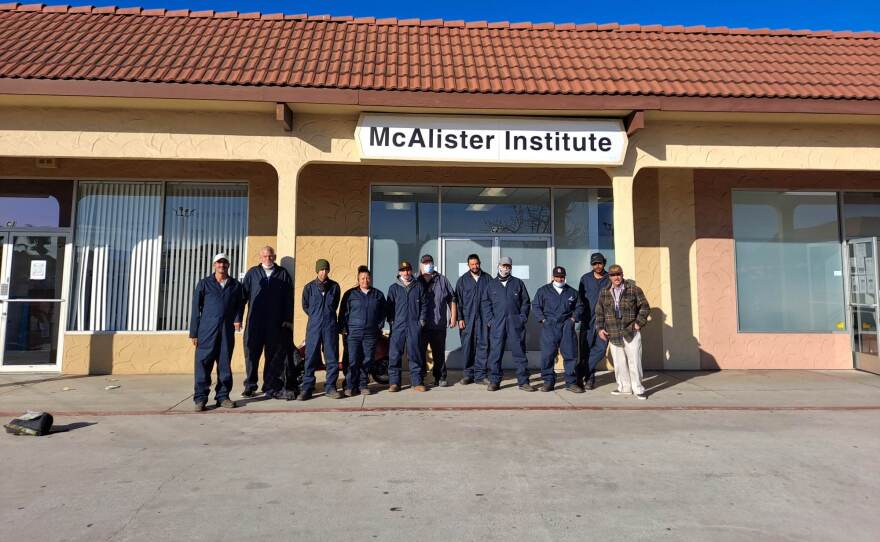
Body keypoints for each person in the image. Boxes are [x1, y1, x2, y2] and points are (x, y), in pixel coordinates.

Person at [189, 253, 245, 411]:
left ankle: (223, 396)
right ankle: (200, 399)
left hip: (226, 330)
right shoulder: (204, 284)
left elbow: (240, 304)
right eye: (219, 263)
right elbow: (195, 309)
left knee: (224, 364)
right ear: (214, 265)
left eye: (225, 263)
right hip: (206, 330)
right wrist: (194, 333)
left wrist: (238, 318)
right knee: (203, 364)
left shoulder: (235, 285)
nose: (222, 265)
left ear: (229, 265)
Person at [241, 246, 294, 399]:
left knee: (271, 356)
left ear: (275, 257)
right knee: (251, 354)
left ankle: (269, 384)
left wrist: (288, 321)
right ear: (260, 257)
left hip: (274, 324)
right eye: (264, 256)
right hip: (255, 323)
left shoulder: (283, 274)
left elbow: (288, 300)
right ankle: (250, 385)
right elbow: (243, 297)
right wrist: (237, 318)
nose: (268, 259)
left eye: (270, 256)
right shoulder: (252, 273)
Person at [595, 265, 651, 400]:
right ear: (609, 277)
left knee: (635, 361)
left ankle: (638, 388)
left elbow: (645, 307)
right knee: (619, 363)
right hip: (613, 332)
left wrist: (639, 323)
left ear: (622, 274)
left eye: (618, 274)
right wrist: (600, 328)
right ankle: (624, 388)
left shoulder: (633, 289)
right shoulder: (604, 292)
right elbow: (599, 311)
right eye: (613, 275)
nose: (616, 277)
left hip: (631, 331)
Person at [483, 256, 532, 392]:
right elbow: (485, 303)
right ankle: (494, 381)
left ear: (511, 268)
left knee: (519, 352)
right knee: (495, 353)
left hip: (515, 323)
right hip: (497, 323)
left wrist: (522, 317)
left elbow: (525, 302)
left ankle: (523, 381)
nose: (505, 268)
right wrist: (490, 320)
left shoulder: (518, 283)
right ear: (498, 266)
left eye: (508, 266)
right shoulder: (491, 284)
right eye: (503, 265)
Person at [532, 266, 584, 393]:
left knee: (570, 354)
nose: (559, 279)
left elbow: (580, 307)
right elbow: (536, 306)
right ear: (553, 277)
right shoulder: (543, 291)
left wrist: (573, 319)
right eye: (557, 276)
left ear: (565, 277)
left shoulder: (572, 292)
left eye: (562, 277)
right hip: (550, 325)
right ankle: (548, 382)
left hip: (566, 326)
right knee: (548, 355)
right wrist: (543, 320)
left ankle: (571, 383)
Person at [339, 266, 386, 396]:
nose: (365, 280)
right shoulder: (350, 294)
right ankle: (350, 386)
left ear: (370, 279)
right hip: (353, 333)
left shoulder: (378, 295)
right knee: (352, 360)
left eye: (367, 278)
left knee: (367, 359)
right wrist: (343, 329)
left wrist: (379, 326)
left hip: (370, 334)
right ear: (358, 279)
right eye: (362, 278)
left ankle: (363, 384)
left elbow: (383, 313)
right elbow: (343, 313)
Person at [300, 259, 342, 400]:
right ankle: (307, 387)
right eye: (321, 269)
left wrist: (325, 316)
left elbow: (335, 304)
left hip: (330, 326)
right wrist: (316, 316)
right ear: (317, 271)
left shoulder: (335, 287)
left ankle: (330, 387)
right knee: (310, 357)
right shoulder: (309, 288)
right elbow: (305, 306)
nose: (324, 272)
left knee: (331, 357)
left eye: (326, 269)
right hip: (314, 327)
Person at [386, 260, 429, 392]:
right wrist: (392, 322)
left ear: (412, 271)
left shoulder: (418, 286)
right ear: (399, 272)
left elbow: (424, 305)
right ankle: (394, 383)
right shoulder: (394, 288)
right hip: (398, 326)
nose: (406, 272)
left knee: (415, 354)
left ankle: (417, 382)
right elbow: (389, 307)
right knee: (395, 354)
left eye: (408, 270)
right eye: (403, 270)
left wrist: (421, 321)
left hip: (413, 325)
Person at [417, 254, 457, 387]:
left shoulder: (442, 280)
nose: (428, 264)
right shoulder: (417, 281)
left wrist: (453, 316)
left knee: (439, 353)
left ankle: (440, 377)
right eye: (425, 263)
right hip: (421, 326)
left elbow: (451, 298)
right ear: (421, 265)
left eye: (430, 262)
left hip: (438, 324)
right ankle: (420, 378)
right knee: (420, 353)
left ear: (433, 264)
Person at [454, 253, 492, 385]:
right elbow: (457, 301)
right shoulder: (463, 280)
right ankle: (468, 375)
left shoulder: (488, 279)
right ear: (468, 265)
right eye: (472, 264)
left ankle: (481, 375)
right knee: (467, 347)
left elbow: (493, 300)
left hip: (483, 319)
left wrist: (490, 319)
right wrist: (460, 318)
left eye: (476, 263)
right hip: (467, 319)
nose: (475, 266)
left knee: (483, 346)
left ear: (480, 263)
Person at [577, 252, 610, 390]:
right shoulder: (585, 279)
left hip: (604, 321)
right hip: (587, 320)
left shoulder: (609, 278)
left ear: (604, 263)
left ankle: (579, 372)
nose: (597, 266)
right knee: (585, 351)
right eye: (595, 263)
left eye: (600, 263)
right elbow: (579, 299)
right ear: (592, 265)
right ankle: (589, 379)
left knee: (601, 349)